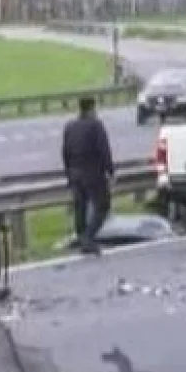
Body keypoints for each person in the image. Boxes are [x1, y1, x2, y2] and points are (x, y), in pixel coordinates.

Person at [61, 95, 114, 255]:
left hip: (75, 173)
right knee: (102, 206)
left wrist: (68, 173)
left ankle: (81, 236)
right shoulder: (96, 126)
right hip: (93, 173)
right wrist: (110, 171)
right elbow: (104, 149)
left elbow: (65, 152)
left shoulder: (70, 126)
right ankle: (88, 238)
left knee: (80, 207)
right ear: (92, 108)